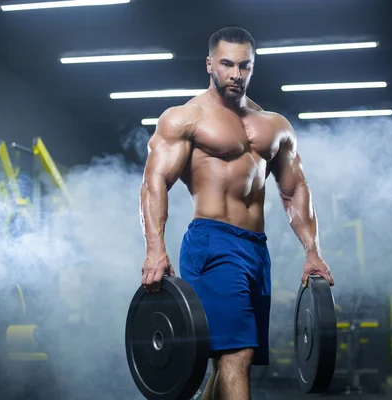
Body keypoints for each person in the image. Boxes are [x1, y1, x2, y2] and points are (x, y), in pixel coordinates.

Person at [139, 26, 335, 400]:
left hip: (255, 250)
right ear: (210, 63)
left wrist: (312, 251)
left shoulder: (275, 125)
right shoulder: (185, 118)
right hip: (212, 242)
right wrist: (154, 248)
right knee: (236, 355)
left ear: (253, 67)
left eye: (244, 66)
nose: (235, 74)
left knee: (229, 361)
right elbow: (154, 183)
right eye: (227, 64)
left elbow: (294, 190)